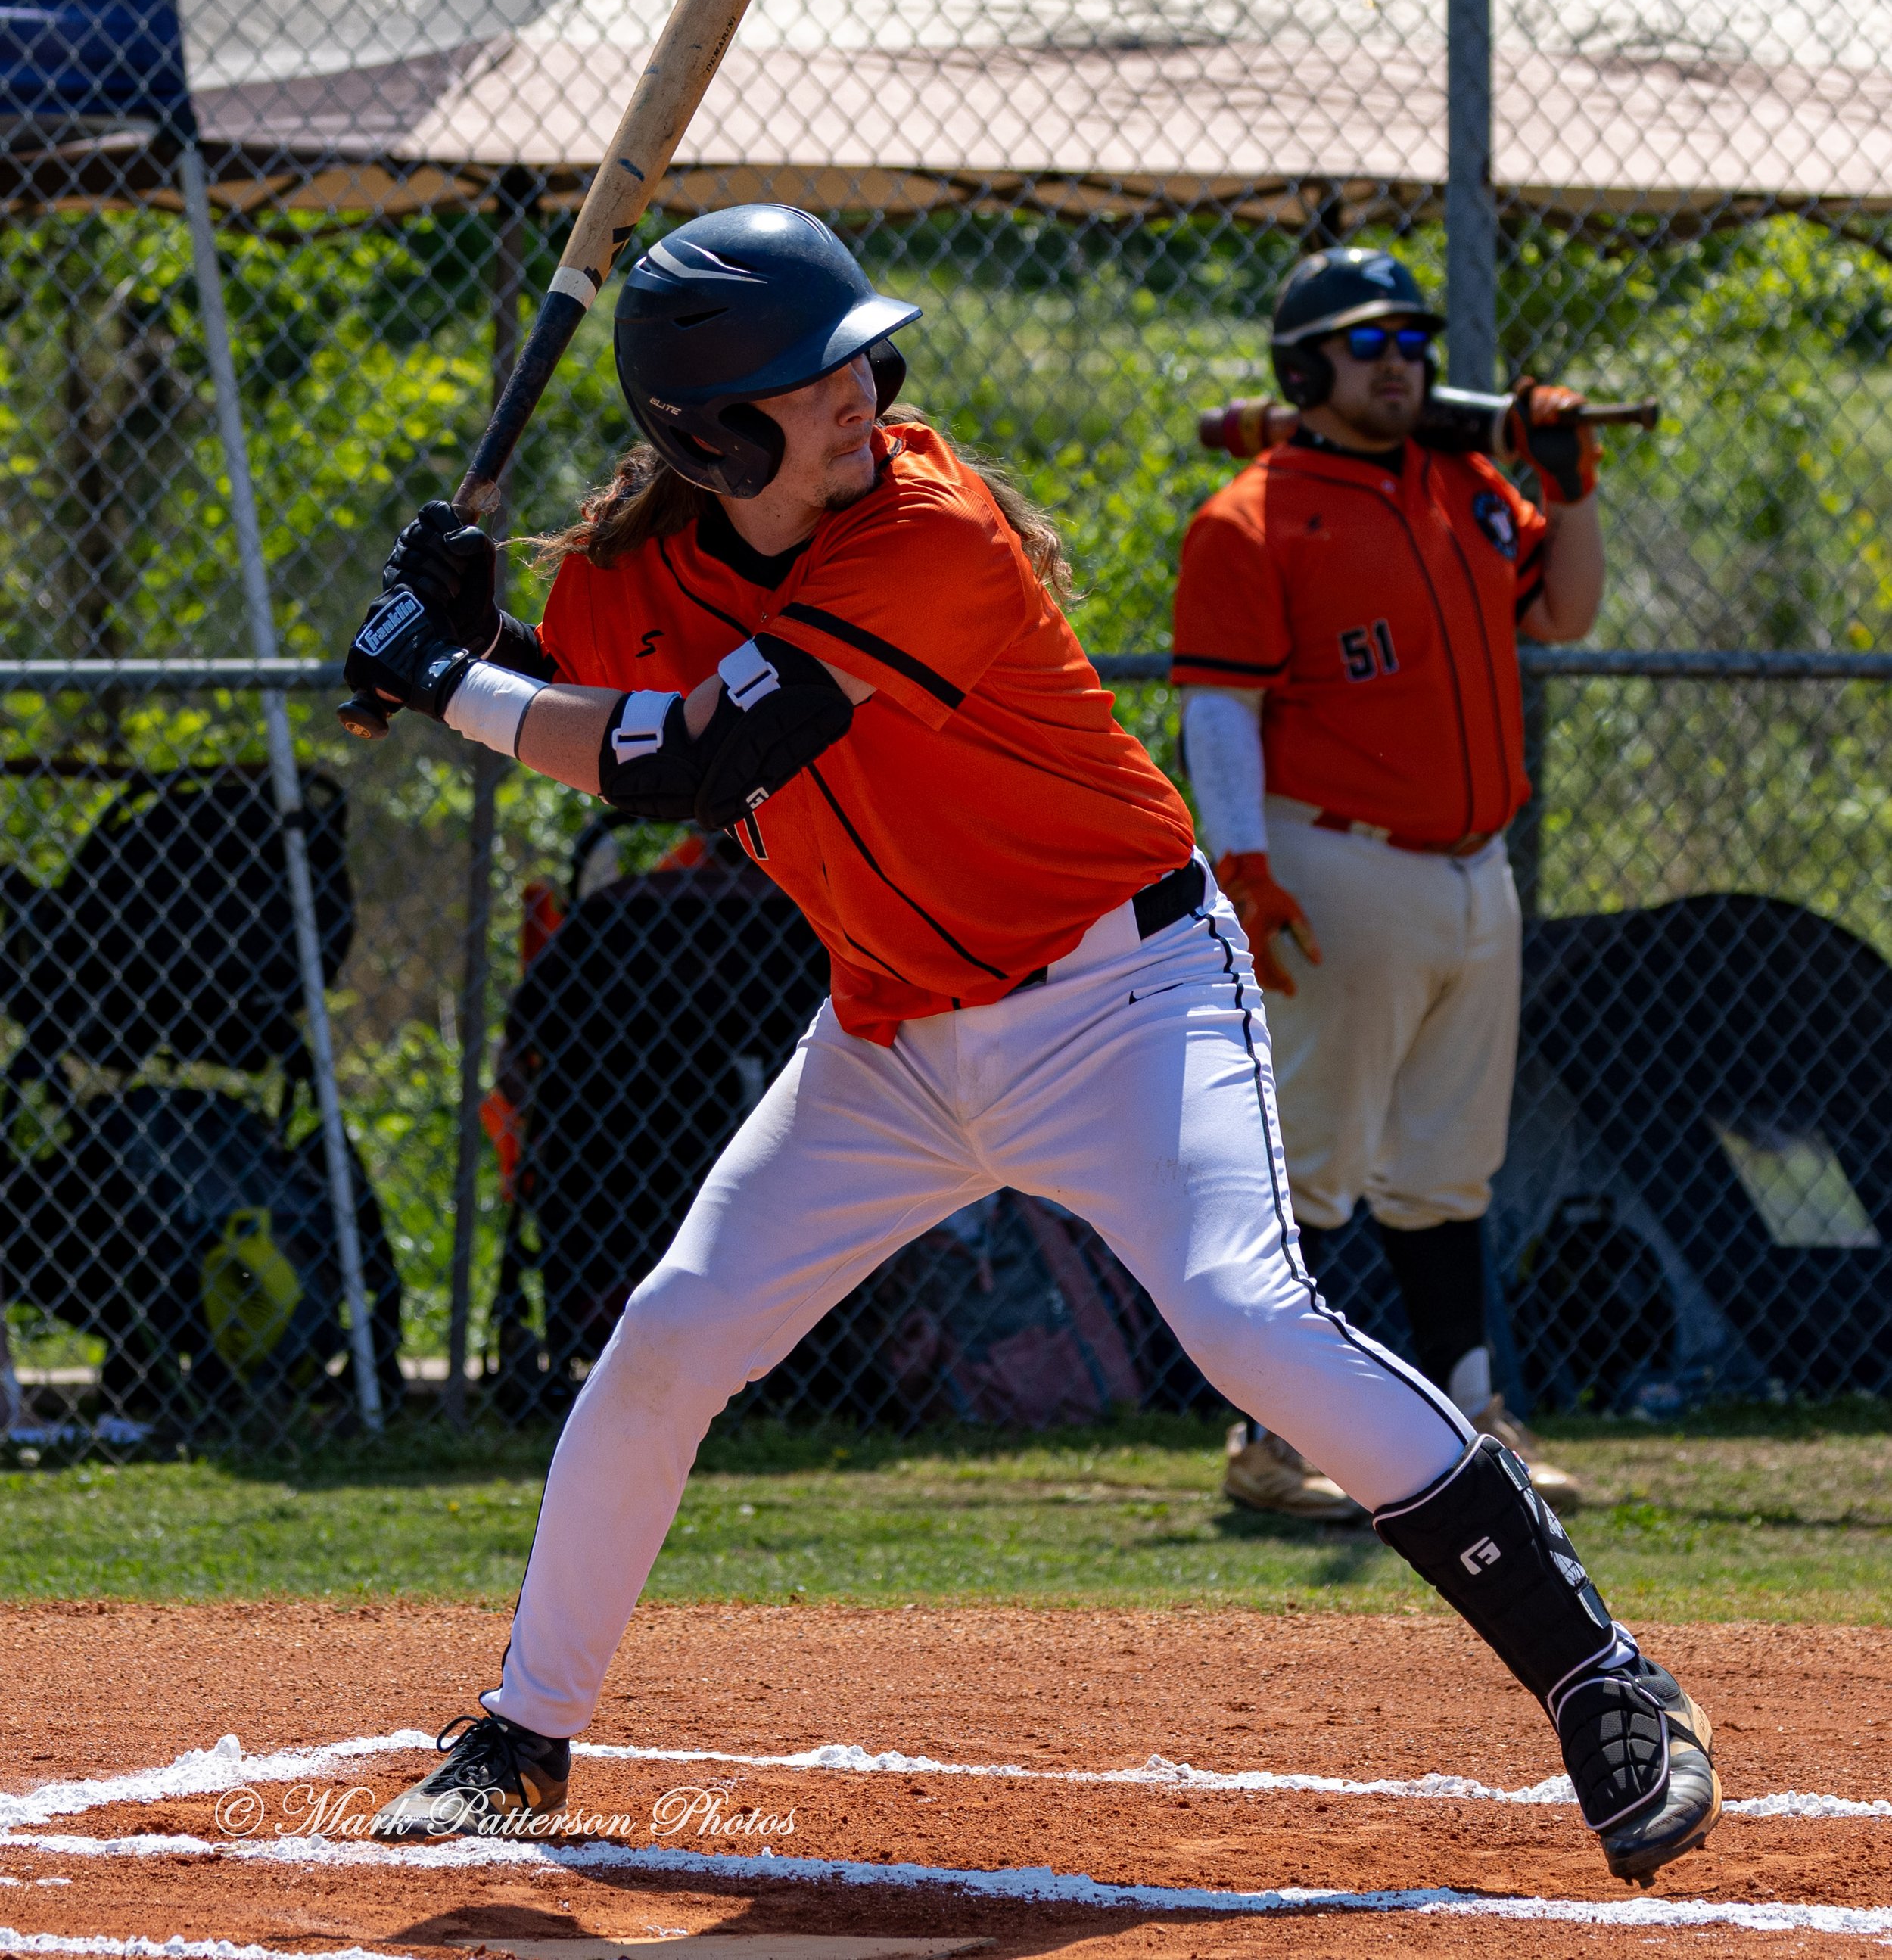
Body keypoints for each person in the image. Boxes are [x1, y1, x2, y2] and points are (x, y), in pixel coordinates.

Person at [342, 206, 1716, 1885]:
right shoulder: (625, 583)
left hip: (1118, 1000)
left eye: (859, 355)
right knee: (671, 1333)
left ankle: (1599, 1677)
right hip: (891, 1039)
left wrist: (448, 682)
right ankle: (517, 1736)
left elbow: (694, 760)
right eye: (807, 376)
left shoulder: (931, 523)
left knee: (1240, 1315)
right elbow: (582, 704)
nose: (859, 391)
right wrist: (465, 645)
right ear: (706, 434)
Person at [1171, 247, 1595, 1523]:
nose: (1402, 359)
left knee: (1445, 1171)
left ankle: (1470, 1417)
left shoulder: (1464, 482)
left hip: (1476, 869)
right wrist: (1240, 864)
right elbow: (1220, 711)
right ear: (1304, 369)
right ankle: (1266, 1437)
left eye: (1412, 338)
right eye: (1369, 343)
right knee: (1305, 1163)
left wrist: (1570, 491)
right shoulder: (1250, 514)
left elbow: (1563, 615)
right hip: (1331, 861)